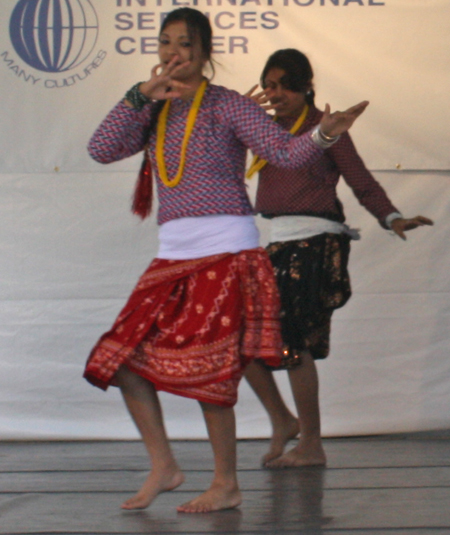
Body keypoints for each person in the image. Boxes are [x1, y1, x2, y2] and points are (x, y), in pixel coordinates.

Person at [84, 11, 369, 513]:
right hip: (172, 254)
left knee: (212, 371)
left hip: (225, 251)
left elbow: (283, 151)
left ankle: (226, 483)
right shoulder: (151, 107)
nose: (173, 54)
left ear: (204, 52)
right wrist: (138, 97)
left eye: (185, 46)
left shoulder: (227, 105)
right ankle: (165, 466)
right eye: (165, 43)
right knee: (120, 361)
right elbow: (100, 150)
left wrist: (324, 134)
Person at [244, 49, 434, 468]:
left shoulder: (324, 128)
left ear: (306, 85)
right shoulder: (265, 128)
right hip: (276, 242)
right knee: (242, 336)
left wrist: (393, 217)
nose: (275, 93)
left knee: (295, 342)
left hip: (314, 241)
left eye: (283, 85)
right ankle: (282, 420)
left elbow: (360, 180)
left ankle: (311, 444)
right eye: (268, 85)